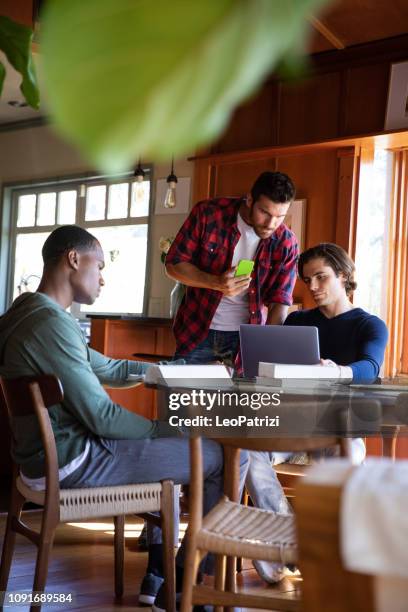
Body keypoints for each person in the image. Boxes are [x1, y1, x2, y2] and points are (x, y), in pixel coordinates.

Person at [0, 225, 248, 612]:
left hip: (39, 460)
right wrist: (165, 430)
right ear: (73, 259)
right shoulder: (51, 324)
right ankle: (187, 581)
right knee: (223, 455)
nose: (103, 276)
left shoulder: (26, 312)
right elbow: (102, 417)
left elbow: (107, 366)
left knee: (186, 448)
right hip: (73, 462)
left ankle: (169, 574)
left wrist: (168, 370)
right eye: (98, 265)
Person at [245, 242, 389, 583]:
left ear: (343, 276)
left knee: (349, 460)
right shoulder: (297, 321)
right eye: (307, 279)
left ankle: (325, 556)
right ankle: (288, 535)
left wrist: (333, 370)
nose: (311, 287)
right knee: (244, 450)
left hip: (340, 429)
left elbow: (370, 367)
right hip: (290, 425)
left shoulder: (370, 325)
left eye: (321, 277)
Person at [165, 171, 299, 367]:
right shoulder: (208, 214)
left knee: (240, 399)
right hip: (197, 330)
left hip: (246, 340)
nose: (271, 224)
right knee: (183, 397)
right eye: (265, 212)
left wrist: (268, 349)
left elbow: (280, 301)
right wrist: (216, 282)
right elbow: (173, 265)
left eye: (280, 216)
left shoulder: (286, 242)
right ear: (249, 199)